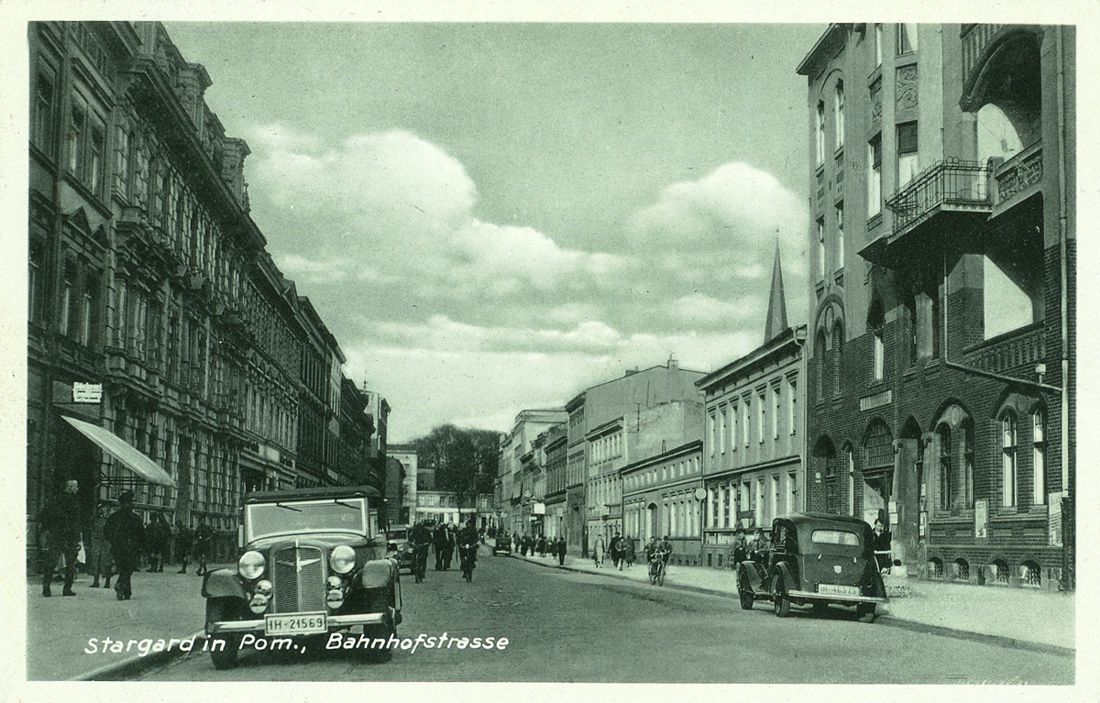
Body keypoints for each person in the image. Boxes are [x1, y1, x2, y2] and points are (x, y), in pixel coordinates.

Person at [39, 479, 82, 597]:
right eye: (76, 486)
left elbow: (43, 515)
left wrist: (49, 529)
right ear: (70, 488)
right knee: (70, 564)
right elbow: (75, 522)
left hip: (56, 535)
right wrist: (77, 538)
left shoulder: (55, 500)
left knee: (51, 562)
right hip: (70, 537)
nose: (77, 489)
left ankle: (46, 588)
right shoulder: (74, 502)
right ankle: (67, 589)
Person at [104, 490, 145, 601]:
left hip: (119, 548)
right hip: (130, 548)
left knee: (124, 569)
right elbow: (142, 535)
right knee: (127, 569)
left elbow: (106, 532)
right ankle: (121, 586)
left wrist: (113, 542)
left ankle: (126, 591)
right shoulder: (135, 518)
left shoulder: (113, 517)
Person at [88, 502, 114, 589]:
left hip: (106, 542)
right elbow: (91, 529)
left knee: (106, 562)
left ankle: (107, 582)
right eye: (100, 509)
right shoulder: (95, 519)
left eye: (103, 509)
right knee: (95, 561)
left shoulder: (110, 520)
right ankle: (96, 581)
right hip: (96, 541)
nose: (101, 511)